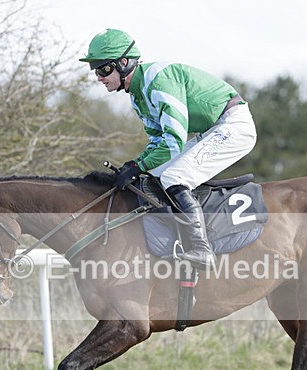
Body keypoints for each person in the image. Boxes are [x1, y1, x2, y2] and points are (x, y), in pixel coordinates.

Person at [80, 29, 257, 270]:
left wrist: (138, 165)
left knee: (175, 176)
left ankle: (201, 248)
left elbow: (173, 141)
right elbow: (157, 143)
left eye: (103, 69)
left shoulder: (158, 80)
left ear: (124, 63)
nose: (99, 77)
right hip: (213, 129)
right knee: (152, 176)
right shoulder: (137, 95)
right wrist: (135, 165)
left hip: (234, 125)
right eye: (96, 71)